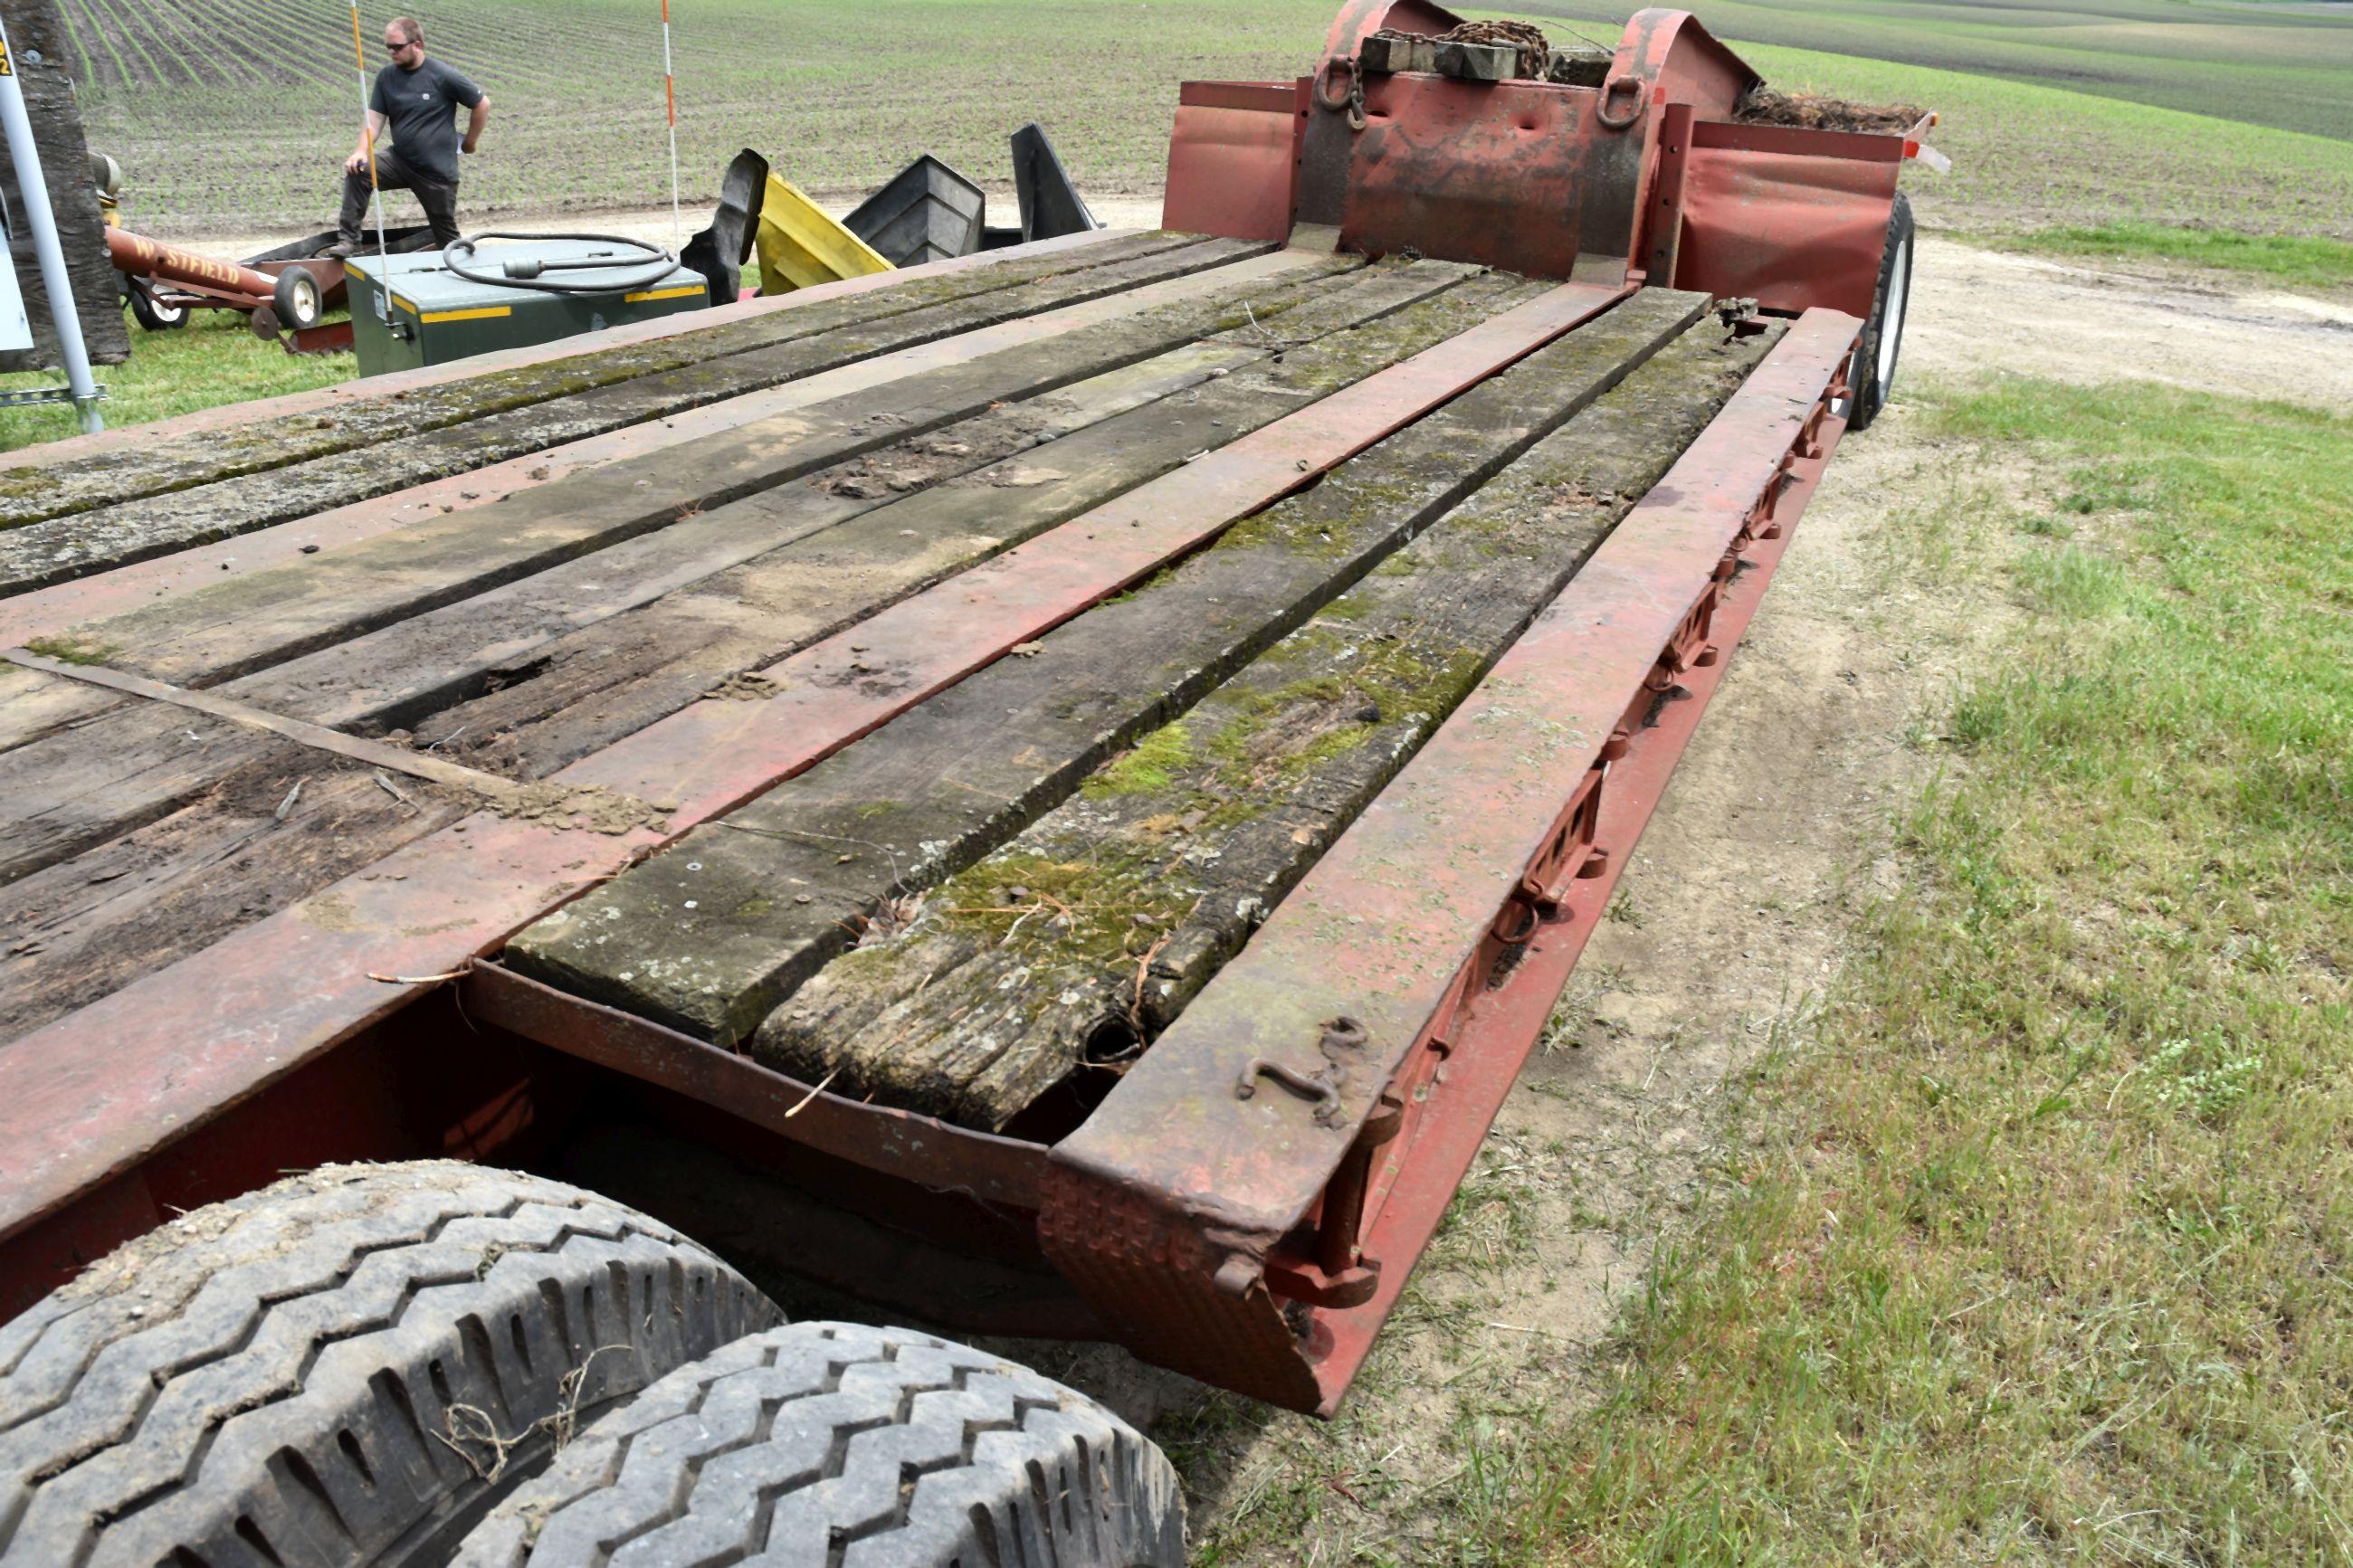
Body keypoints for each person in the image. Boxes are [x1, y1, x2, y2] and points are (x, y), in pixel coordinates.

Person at [327, 17, 489, 255]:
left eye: (397, 47)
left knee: (447, 241)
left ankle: (462, 269)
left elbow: (482, 105)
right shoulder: (386, 78)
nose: (392, 52)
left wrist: (470, 143)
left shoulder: (443, 75)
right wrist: (361, 150)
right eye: (388, 47)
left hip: (437, 173)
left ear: (418, 44)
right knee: (359, 170)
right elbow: (375, 119)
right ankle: (349, 242)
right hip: (400, 161)